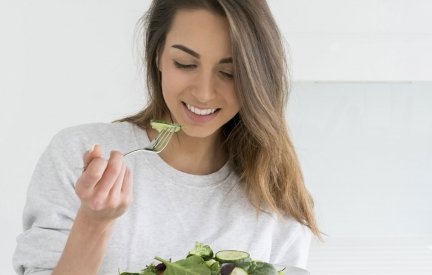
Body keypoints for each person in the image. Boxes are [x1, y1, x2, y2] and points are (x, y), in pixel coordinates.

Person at [13, 0, 320, 274]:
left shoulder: (273, 191)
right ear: (159, 55)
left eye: (229, 72)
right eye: (185, 64)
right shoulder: (77, 154)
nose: (203, 92)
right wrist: (94, 223)